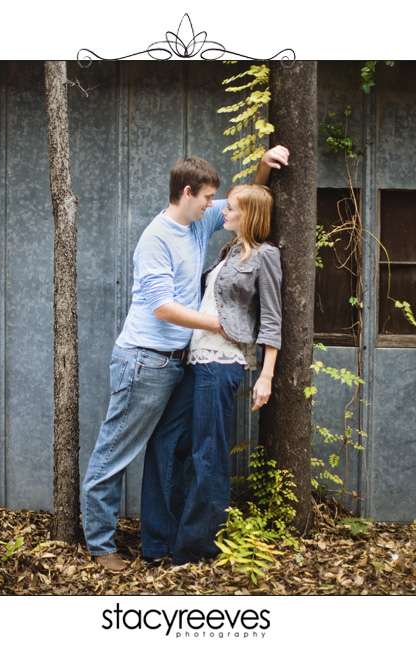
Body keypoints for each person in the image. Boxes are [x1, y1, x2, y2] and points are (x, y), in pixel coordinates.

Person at [81, 146, 290, 572]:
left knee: (178, 448)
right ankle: (102, 544)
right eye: (208, 198)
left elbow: (246, 207)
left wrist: (264, 168)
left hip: (184, 362)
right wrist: (219, 326)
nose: (215, 208)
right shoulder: (157, 239)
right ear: (188, 192)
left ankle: (177, 546)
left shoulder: (199, 225)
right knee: (116, 451)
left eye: (218, 203)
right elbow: (162, 307)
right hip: (145, 360)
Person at [140, 182, 282, 567]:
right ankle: (158, 544)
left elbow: (271, 320)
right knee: (165, 444)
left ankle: (193, 550)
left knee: (208, 454)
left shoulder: (266, 256)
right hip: (195, 360)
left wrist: (265, 375)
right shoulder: (229, 250)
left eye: (232, 208)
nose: (224, 212)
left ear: (249, 215)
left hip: (223, 364)